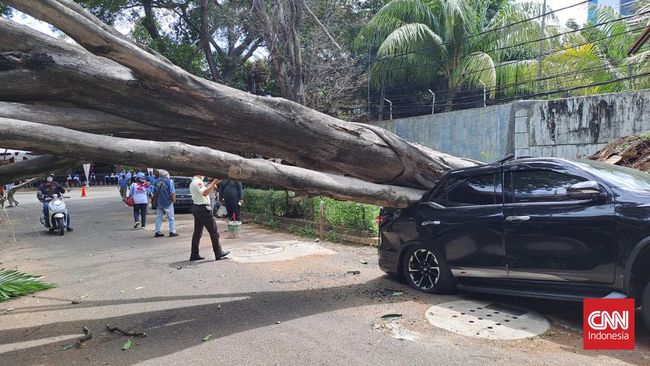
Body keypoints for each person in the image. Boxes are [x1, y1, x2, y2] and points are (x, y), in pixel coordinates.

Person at [189, 175, 229, 261]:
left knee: (197, 233)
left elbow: (203, 192)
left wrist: (210, 185)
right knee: (214, 232)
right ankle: (218, 252)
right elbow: (205, 193)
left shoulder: (193, 182)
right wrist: (214, 182)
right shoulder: (198, 182)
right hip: (203, 209)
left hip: (196, 207)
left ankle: (194, 253)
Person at [153, 170, 178, 238]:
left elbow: (154, 192)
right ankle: (172, 232)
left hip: (159, 202)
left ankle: (157, 231)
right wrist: (174, 200)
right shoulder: (170, 181)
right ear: (166, 175)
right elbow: (172, 192)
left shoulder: (155, 181)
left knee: (158, 217)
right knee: (171, 218)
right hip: (168, 201)